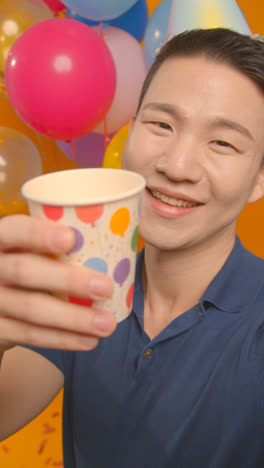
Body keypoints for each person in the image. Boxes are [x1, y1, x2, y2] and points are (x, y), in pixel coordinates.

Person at [1, 27, 264, 467]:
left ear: (259, 178)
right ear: (131, 130)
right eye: (161, 124)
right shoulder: (81, 286)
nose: (176, 167)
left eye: (222, 142)